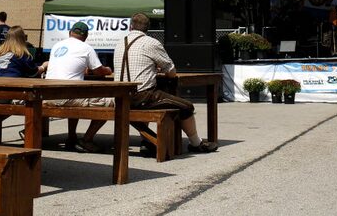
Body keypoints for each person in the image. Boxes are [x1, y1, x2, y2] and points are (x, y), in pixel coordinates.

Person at [114, 12, 218, 154]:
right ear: (147, 28)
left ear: (131, 26)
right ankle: (195, 143)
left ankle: (147, 141)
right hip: (141, 97)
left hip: (120, 97)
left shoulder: (120, 42)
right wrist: (157, 69)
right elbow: (171, 71)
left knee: (151, 100)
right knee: (186, 106)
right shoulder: (151, 42)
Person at [45, 21, 113, 153]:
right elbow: (99, 71)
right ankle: (86, 140)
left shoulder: (56, 46)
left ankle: (72, 136)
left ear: (70, 33)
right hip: (66, 97)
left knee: (76, 95)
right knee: (110, 103)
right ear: (86, 36)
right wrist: (108, 70)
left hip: (47, 95)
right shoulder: (86, 48)